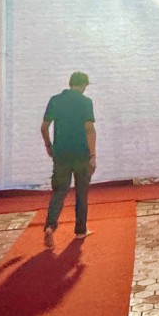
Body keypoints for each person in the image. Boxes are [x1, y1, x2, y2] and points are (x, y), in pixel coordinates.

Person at [40, 71, 96, 249]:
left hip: (61, 153)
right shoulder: (86, 102)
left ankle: (50, 226)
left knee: (59, 192)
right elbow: (89, 129)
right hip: (81, 153)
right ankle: (80, 230)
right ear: (83, 84)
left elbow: (44, 127)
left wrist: (49, 145)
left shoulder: (55, 100)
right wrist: (93, 155)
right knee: (81, 193)